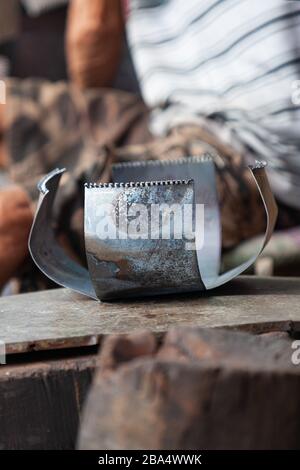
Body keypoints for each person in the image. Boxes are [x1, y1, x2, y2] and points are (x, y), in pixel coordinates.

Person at [0, 0, 299, 292]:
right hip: (169, 117)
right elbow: (93, 50)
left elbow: (93, 32)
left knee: (19, 219)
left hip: (252, 151)